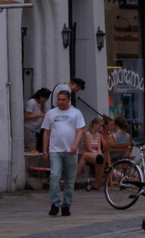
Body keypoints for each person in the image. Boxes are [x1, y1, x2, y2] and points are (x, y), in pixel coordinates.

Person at [42, 88, 88, 216]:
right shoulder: (51, 113)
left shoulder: (76, 113)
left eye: (63, 100)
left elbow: (80, 131)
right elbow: (46, 132)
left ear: (69, 100)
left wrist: (75, 145)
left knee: (70, 179)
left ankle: (67, 204)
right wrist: (45, 150)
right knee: (55, 176)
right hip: (55, 150)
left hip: (70, 150)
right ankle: (55, 203)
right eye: (58, 99)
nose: (60, 102)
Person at [78, 116, 109, 190]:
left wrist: (99, 154)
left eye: (101, 126)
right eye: (99, 126)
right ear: (94, 125)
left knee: (100, 160)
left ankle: (125, 177)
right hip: (88, 154)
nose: (100, 128)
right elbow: (89, 149)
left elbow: (99, 148)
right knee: (100, 160)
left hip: (95, 155)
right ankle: (96, 183)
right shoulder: (88, 134)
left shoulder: (98, 135)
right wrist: (97, 155)